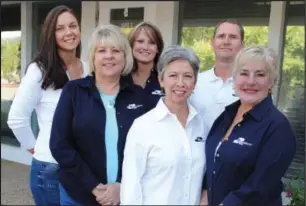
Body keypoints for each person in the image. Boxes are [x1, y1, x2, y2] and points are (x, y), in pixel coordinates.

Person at [49, 24, 154, 206]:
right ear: (93, 57)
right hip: (78, 195)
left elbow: (149, 147)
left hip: (126, 195)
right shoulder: (74, 91)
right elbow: (59, 144)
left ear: (125, 56)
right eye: (102, 50)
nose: (109, 56)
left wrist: (121, 185)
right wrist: (94, 186)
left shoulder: (138, 95)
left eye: (115, 50)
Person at [7, 5, 88, 205]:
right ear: (51, 34)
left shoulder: (87, 67)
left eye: (73, 26)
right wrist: (35, 148)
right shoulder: (40, 70)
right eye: (60, 28)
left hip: (81, 168)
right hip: (51, 169)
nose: (69, 32)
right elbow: (17, 118)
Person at [202, 46, 297, 205]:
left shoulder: (278, 128)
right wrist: (205, 196)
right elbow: (213, 163)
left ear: (271, 82)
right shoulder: (226, 115)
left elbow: (259, 186)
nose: (251, 81)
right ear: (235, 78)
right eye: (244, 73)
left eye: (260, 74)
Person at [120, 45, 207, 205]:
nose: (180, 83)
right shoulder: (143, 126)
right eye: (173, 75)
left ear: (195, 82)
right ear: (161, 80)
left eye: (187, 76)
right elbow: (130, 189)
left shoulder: (201, 125)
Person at [190, 19, 245, 131]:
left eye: (233, 37)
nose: (226, 41)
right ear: (212, 43)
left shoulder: (250, 86)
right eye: (221, 36)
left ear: (242, 45)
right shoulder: (195, 82)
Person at [126, 21, 165, 106]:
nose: (145, 47)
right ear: (131, 45)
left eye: (152, 43)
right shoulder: (119, 80)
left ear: (158, 48)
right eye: (140, 41)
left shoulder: (166, 79)